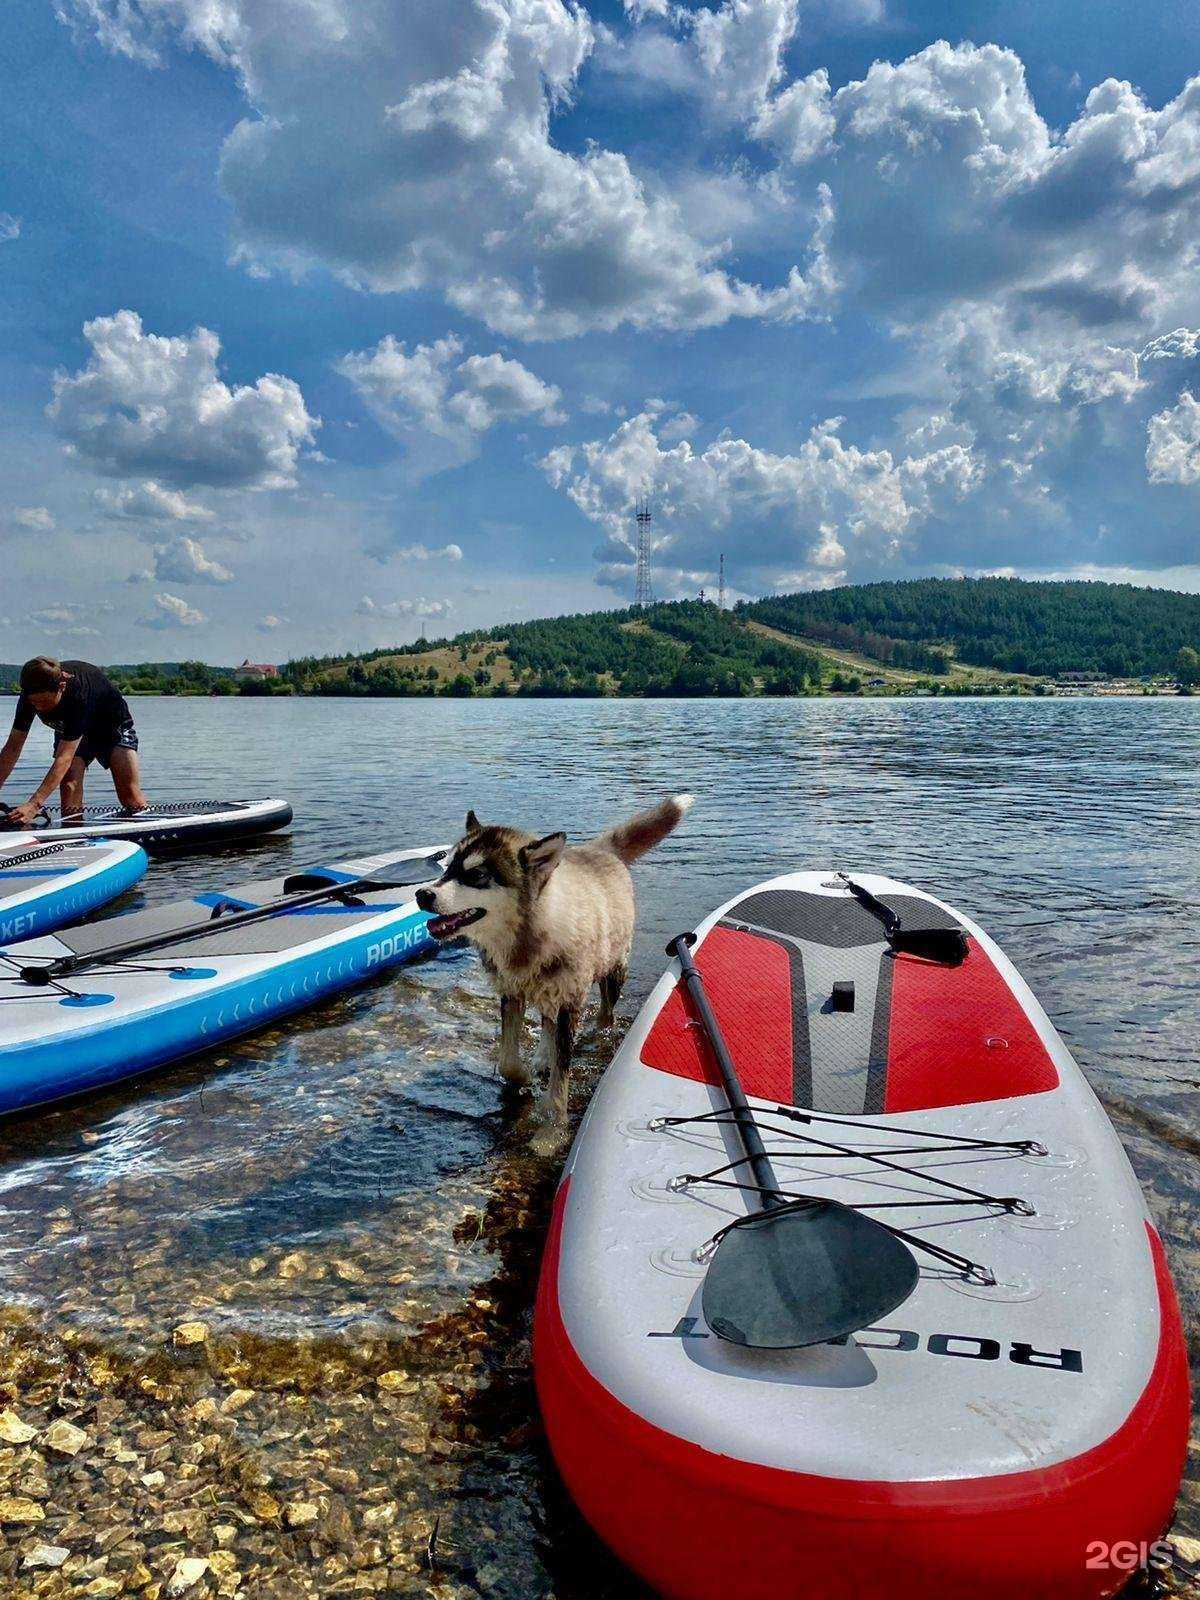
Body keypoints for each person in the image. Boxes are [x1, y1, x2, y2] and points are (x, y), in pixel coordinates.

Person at [0, 657, 149, 826]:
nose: (39, 707)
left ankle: (146, 829)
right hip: (71, 730)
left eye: (44, 702)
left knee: (130, 797)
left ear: (61, 688)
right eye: (34, 702)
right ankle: (73, 832)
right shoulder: (29, 696)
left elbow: (64, 758)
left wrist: (34, 804)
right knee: (70, 786)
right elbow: (12, 748)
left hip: (112, 727)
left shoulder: (78, 695)